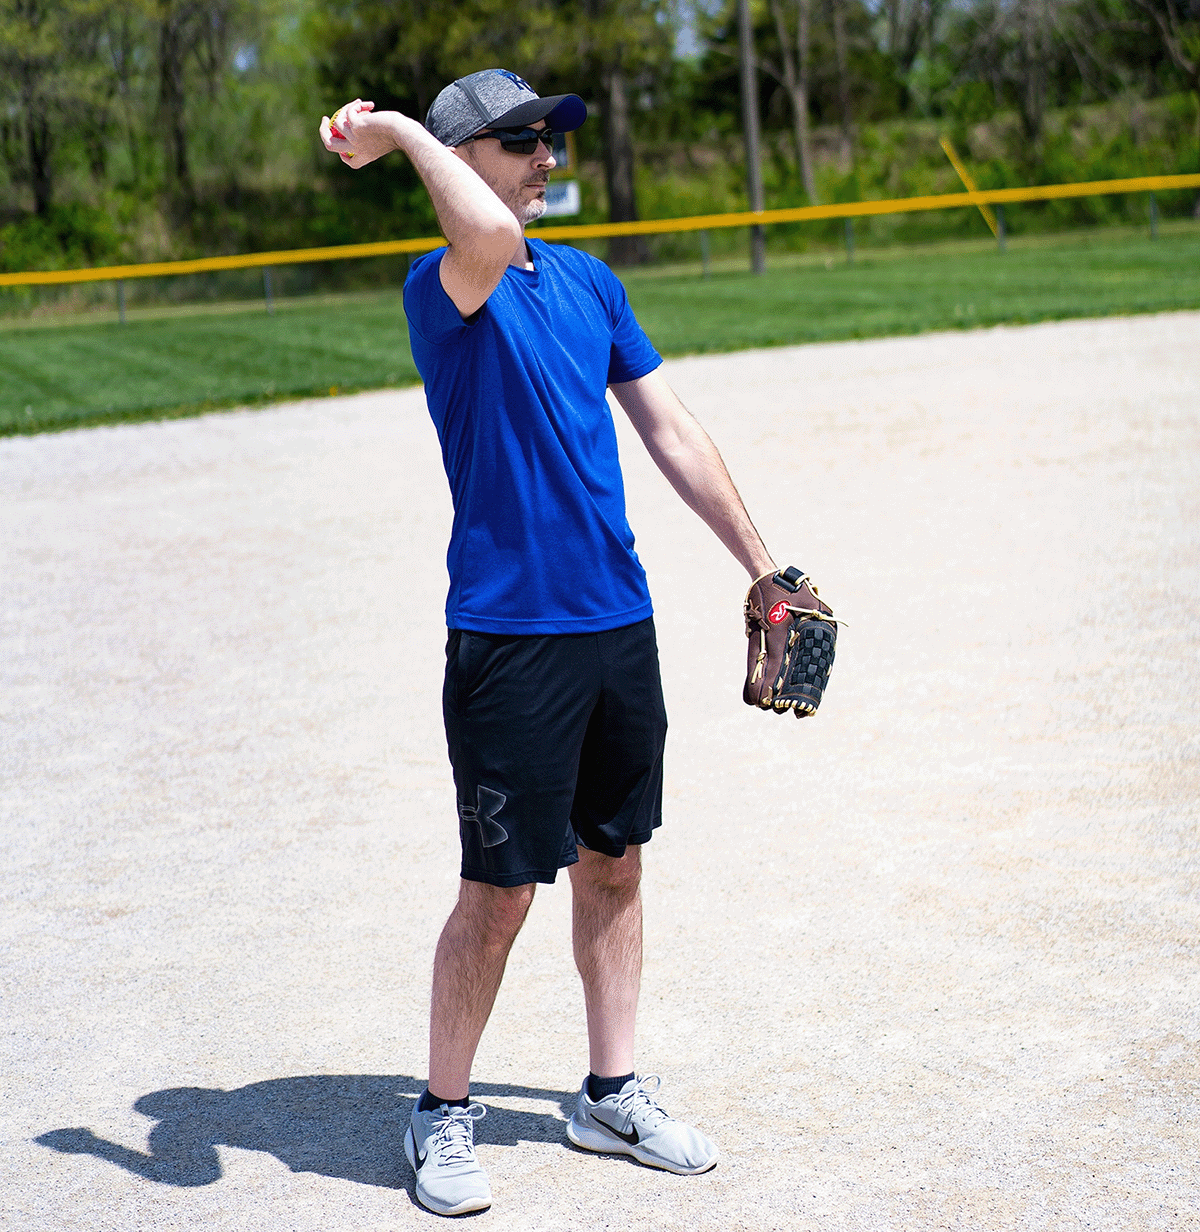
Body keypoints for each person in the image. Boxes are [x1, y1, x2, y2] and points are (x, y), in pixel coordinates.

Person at [320, 69, 778, 1218]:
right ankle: (438, 1111)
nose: (547, 158)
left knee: (615, 861)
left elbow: (669, 426)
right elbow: (477, 227)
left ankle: (608, 1091)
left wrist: (761, 561)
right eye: (521, 140)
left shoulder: (589, 281)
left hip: (614, 621)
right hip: (508, 639)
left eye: (551, 139)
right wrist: (402, 132)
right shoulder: (446, 288)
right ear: (465, 155)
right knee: (501, 887)